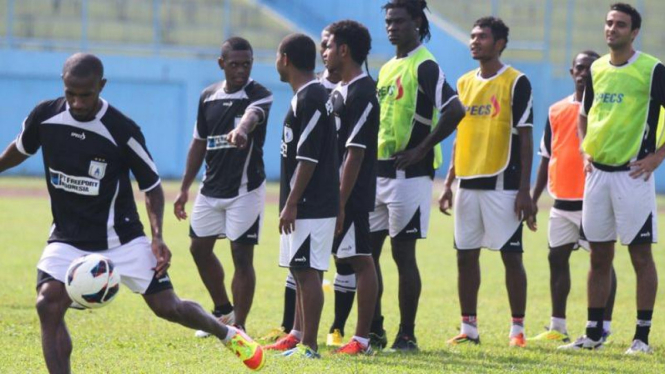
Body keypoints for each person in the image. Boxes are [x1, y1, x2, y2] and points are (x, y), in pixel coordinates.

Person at [0, 53, 264, 372]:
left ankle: (227, 333)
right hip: (67, 238)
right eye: (71, 93)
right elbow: (20, 149)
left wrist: (157, 237)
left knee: (168, 307)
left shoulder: (121, 129)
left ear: (102, 86)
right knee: (48, 302)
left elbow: (151, 186)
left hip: (121, 237)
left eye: (86, 94)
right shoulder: (45, 116)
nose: (78, 102)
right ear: (63, 85)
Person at [559, 3, 665, 354]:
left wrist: (657, 156)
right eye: (608, 23)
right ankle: (592, 334)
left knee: (639, 256)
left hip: (633, 175)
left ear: (634, 32)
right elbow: (584, 113)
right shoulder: (597, 69)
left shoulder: (652, 70)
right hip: (597, 176)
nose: (611, 29)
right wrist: (586, 150)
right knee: (598, 257)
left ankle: (642, 338)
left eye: (620, 25)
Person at [371, 0, 465, 351]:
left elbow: (455, 108)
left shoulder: (424, 65)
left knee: (402, 254)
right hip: (378, 172)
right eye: (389, 22)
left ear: (417, 23)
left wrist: (421, 150)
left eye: (399, 21)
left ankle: (406, 334)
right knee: (366, 253)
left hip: (410, 177)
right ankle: (375, 329)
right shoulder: (387, 68)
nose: (392, 27)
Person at [439, 16, 534, 348]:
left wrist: (525, 190)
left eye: (482, 37)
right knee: (465, 256)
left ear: (500, 43)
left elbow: (525, 136)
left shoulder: (516, 81)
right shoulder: (464, 82)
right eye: (472, 35)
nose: (474, 41)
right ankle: (469, 328)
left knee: (511, 256)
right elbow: (458, 136)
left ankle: (517, 330)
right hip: (466, 183)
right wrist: (449, 182)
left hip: (503, 185)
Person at [173, 37, 273, 336]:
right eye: (234, 65)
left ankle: (240, 325)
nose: (241, 70)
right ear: (221, 64)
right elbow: (198, 143)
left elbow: (253, 116)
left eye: (247, 64)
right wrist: (184, 188)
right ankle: (223, 312)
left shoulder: (260, 94)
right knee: (198, 248)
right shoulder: (207, 96)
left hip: (246, 190)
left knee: (241, 256)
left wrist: (242, 129)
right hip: (210, 188)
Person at [529, 51, 617, 343]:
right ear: (571, 72)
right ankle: (558, 325)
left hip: (594, 199)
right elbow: (545, 156)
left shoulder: (605, 109)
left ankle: (603, 326)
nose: (584, 73)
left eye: (590, 68)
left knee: (602, 262)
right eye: (580, 68)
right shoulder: (556, 110)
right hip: (561, 201)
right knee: (556, 258)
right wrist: (533, 197)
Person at [266, 33, 339, 358]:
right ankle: (298, 336)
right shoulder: (311, 95)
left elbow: (307, 157)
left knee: (308, 272)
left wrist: (292, 202)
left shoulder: (310, 97)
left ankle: (309, 345)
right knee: (301, 270)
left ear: (285, 59)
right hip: (310, 201)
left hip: (310, 203)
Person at [323, 19, 380, 355]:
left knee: (362, 260)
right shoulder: (339, 91)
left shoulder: (363, 92)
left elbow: (354, 155)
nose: (325, 52)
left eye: (329, 46)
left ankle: (361, 340)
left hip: (352, 194)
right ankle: (303, 330)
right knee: (334, 260)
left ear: (343, 50)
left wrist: (340, 204)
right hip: (332, 193)